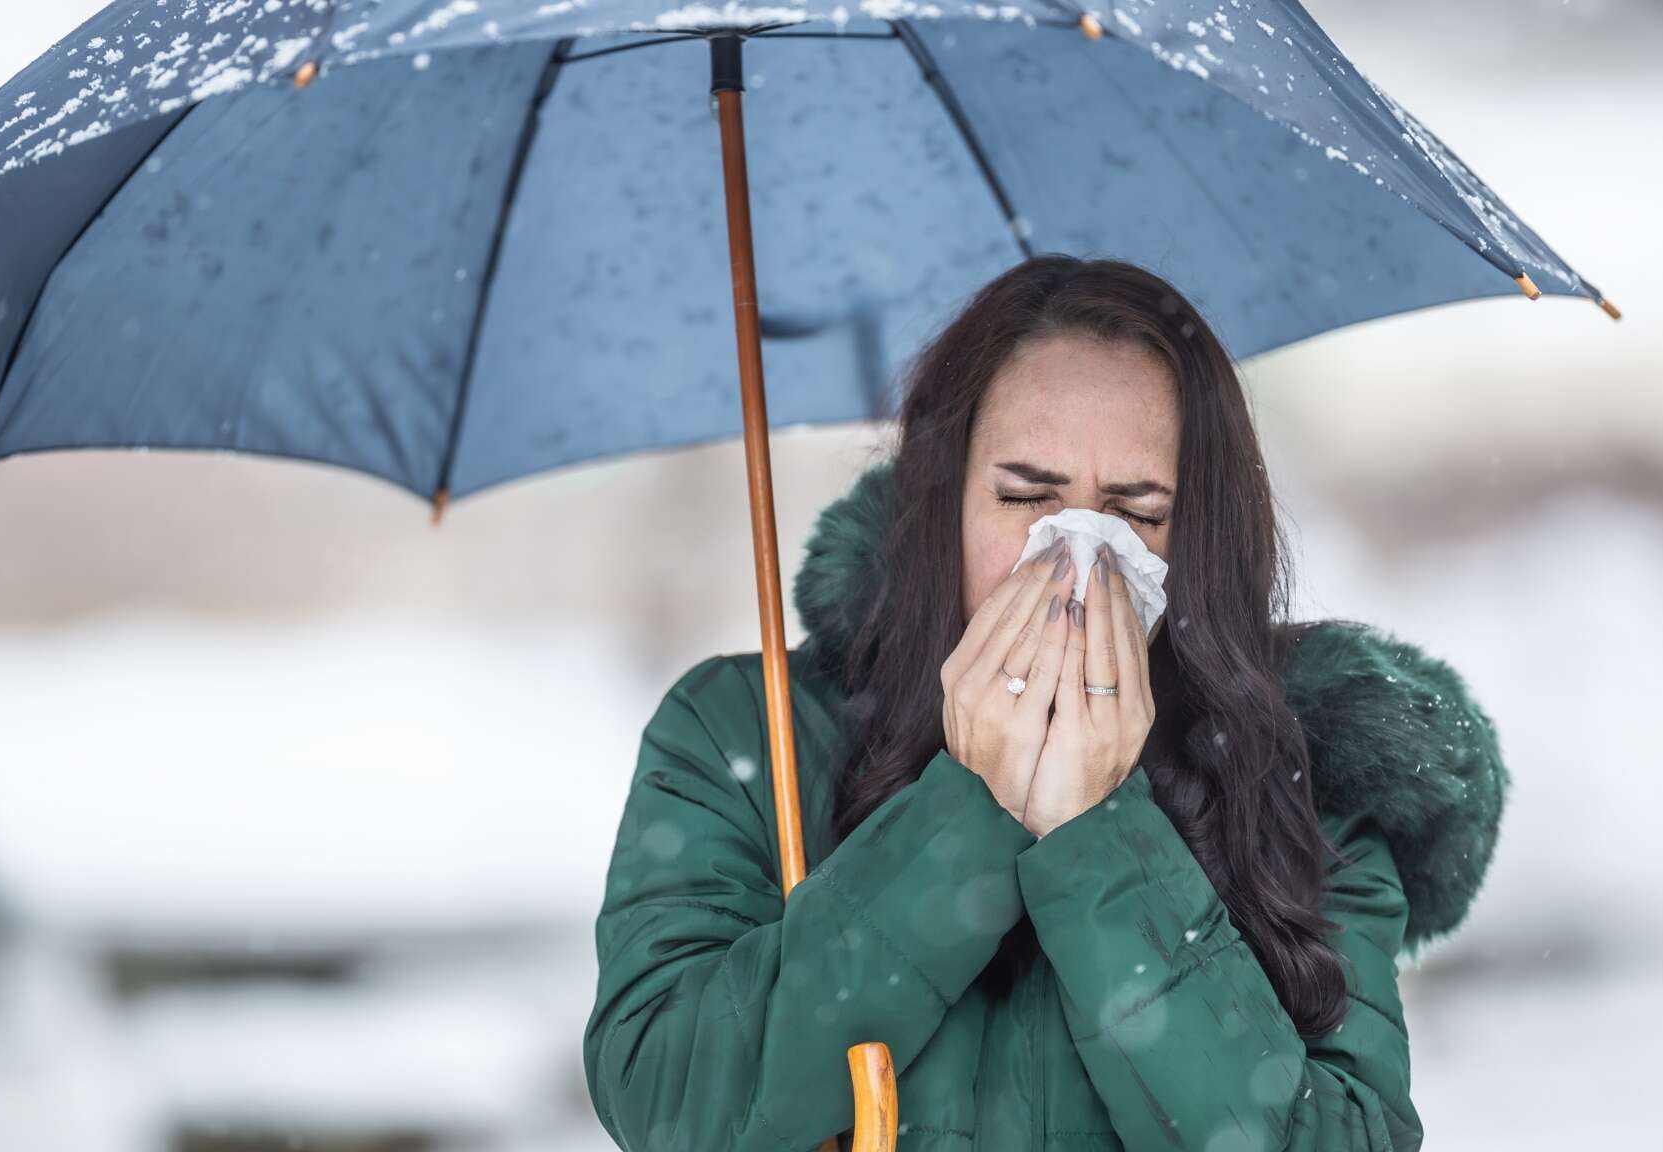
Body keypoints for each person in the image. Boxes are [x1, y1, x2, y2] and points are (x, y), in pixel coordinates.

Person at [581, 255, 1506, 1152]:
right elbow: (670, 1102)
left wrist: (1099, 831)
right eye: (1027, 495)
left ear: (1205, 542)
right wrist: (973, 805)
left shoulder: (1313, 778)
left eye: (1138, 513)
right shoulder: (750, 738)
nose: (1074, 556)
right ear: (940, 504)